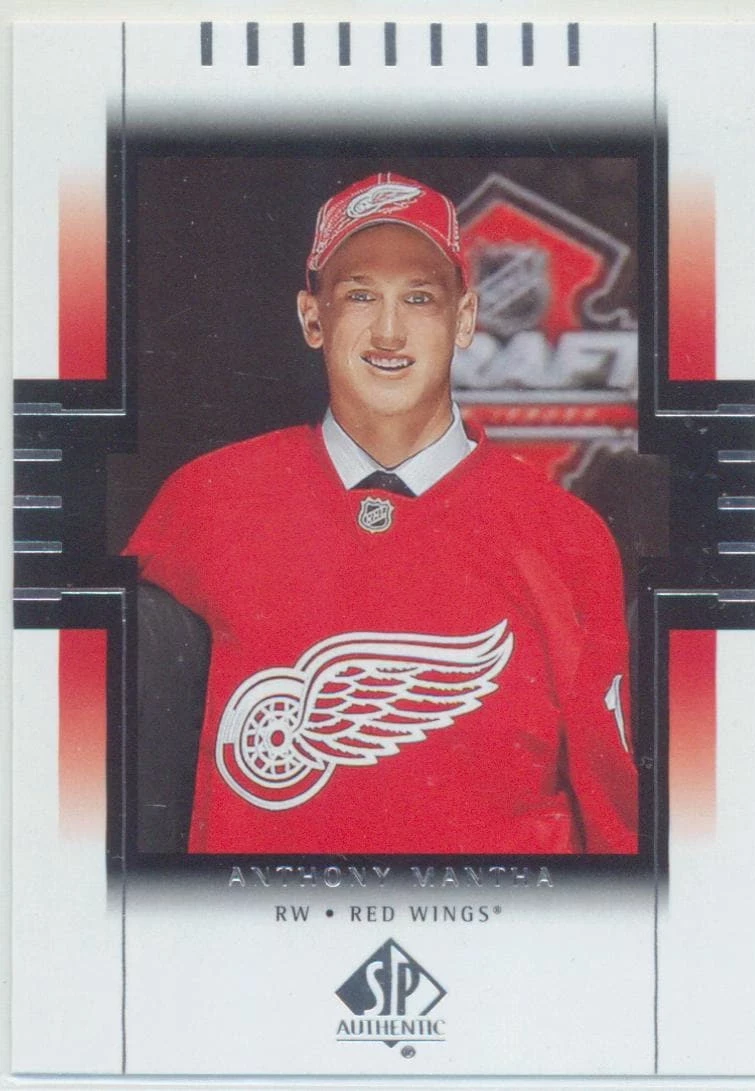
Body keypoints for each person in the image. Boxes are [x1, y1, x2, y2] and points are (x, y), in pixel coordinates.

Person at [126, 172, 638, 855]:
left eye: (419, 297)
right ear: (312, 317)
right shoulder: (205, 501)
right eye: (360, 295)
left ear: (464, 319)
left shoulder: (563, 534)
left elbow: (616, 830)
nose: (389, 332)